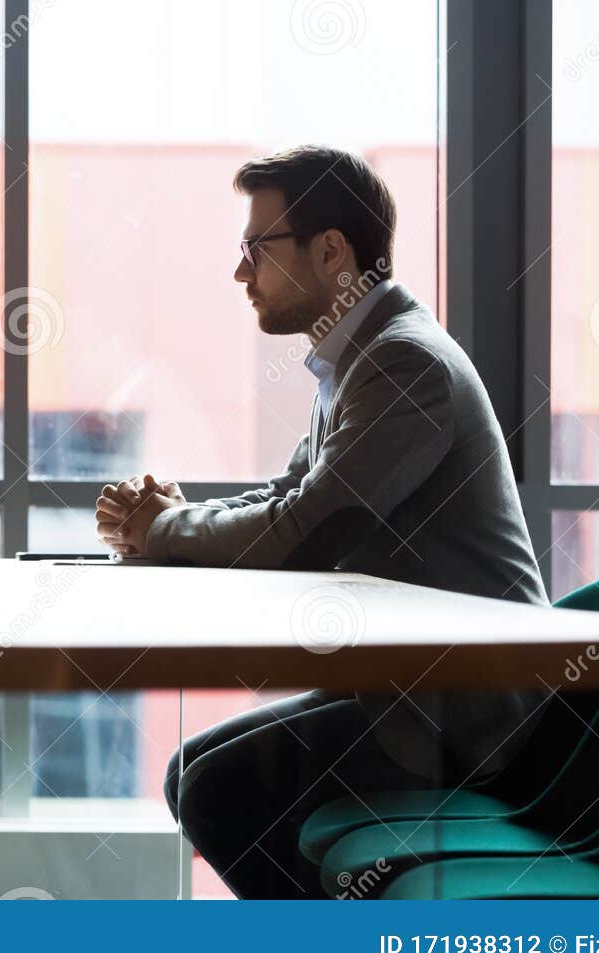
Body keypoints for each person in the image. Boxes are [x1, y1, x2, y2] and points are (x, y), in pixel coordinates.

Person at [93, 145, 547, 898]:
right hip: (405, 689)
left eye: (255, 249)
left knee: (215, 790)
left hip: (462, 718)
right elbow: (290, 496)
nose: (241, 273)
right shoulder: (360, 358)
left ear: (331, 251)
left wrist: (163, 529)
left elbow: (307, 531)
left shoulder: (406, 366)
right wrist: (168, 519)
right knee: (197, 776)